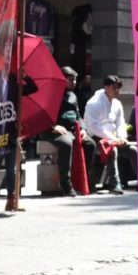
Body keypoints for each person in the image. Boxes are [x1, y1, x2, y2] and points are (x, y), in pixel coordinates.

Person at [82, 75, 137, 195]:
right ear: (106, 87)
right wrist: (113, 139)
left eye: (119, 88)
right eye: (114, 88)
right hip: (95, 139)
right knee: (112, 151)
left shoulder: (117, 104)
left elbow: (121, 123)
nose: (117, 90)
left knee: (133, 151)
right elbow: (95, 127)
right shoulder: (93, 103)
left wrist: (122, 137)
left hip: (114, 138)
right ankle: (115, 184)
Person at [48, 66, 95, 196]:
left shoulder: (73, 95)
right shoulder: (52, 93)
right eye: (70, 80)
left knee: (90, 143)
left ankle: (84, 181)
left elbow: (78, 115)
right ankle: (66, 184)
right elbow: (43, 113)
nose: (74, 82)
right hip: (54, 129)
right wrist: (54, 126)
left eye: (75, 80)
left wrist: (83, 129)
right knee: (67, 143)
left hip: (73, 129)